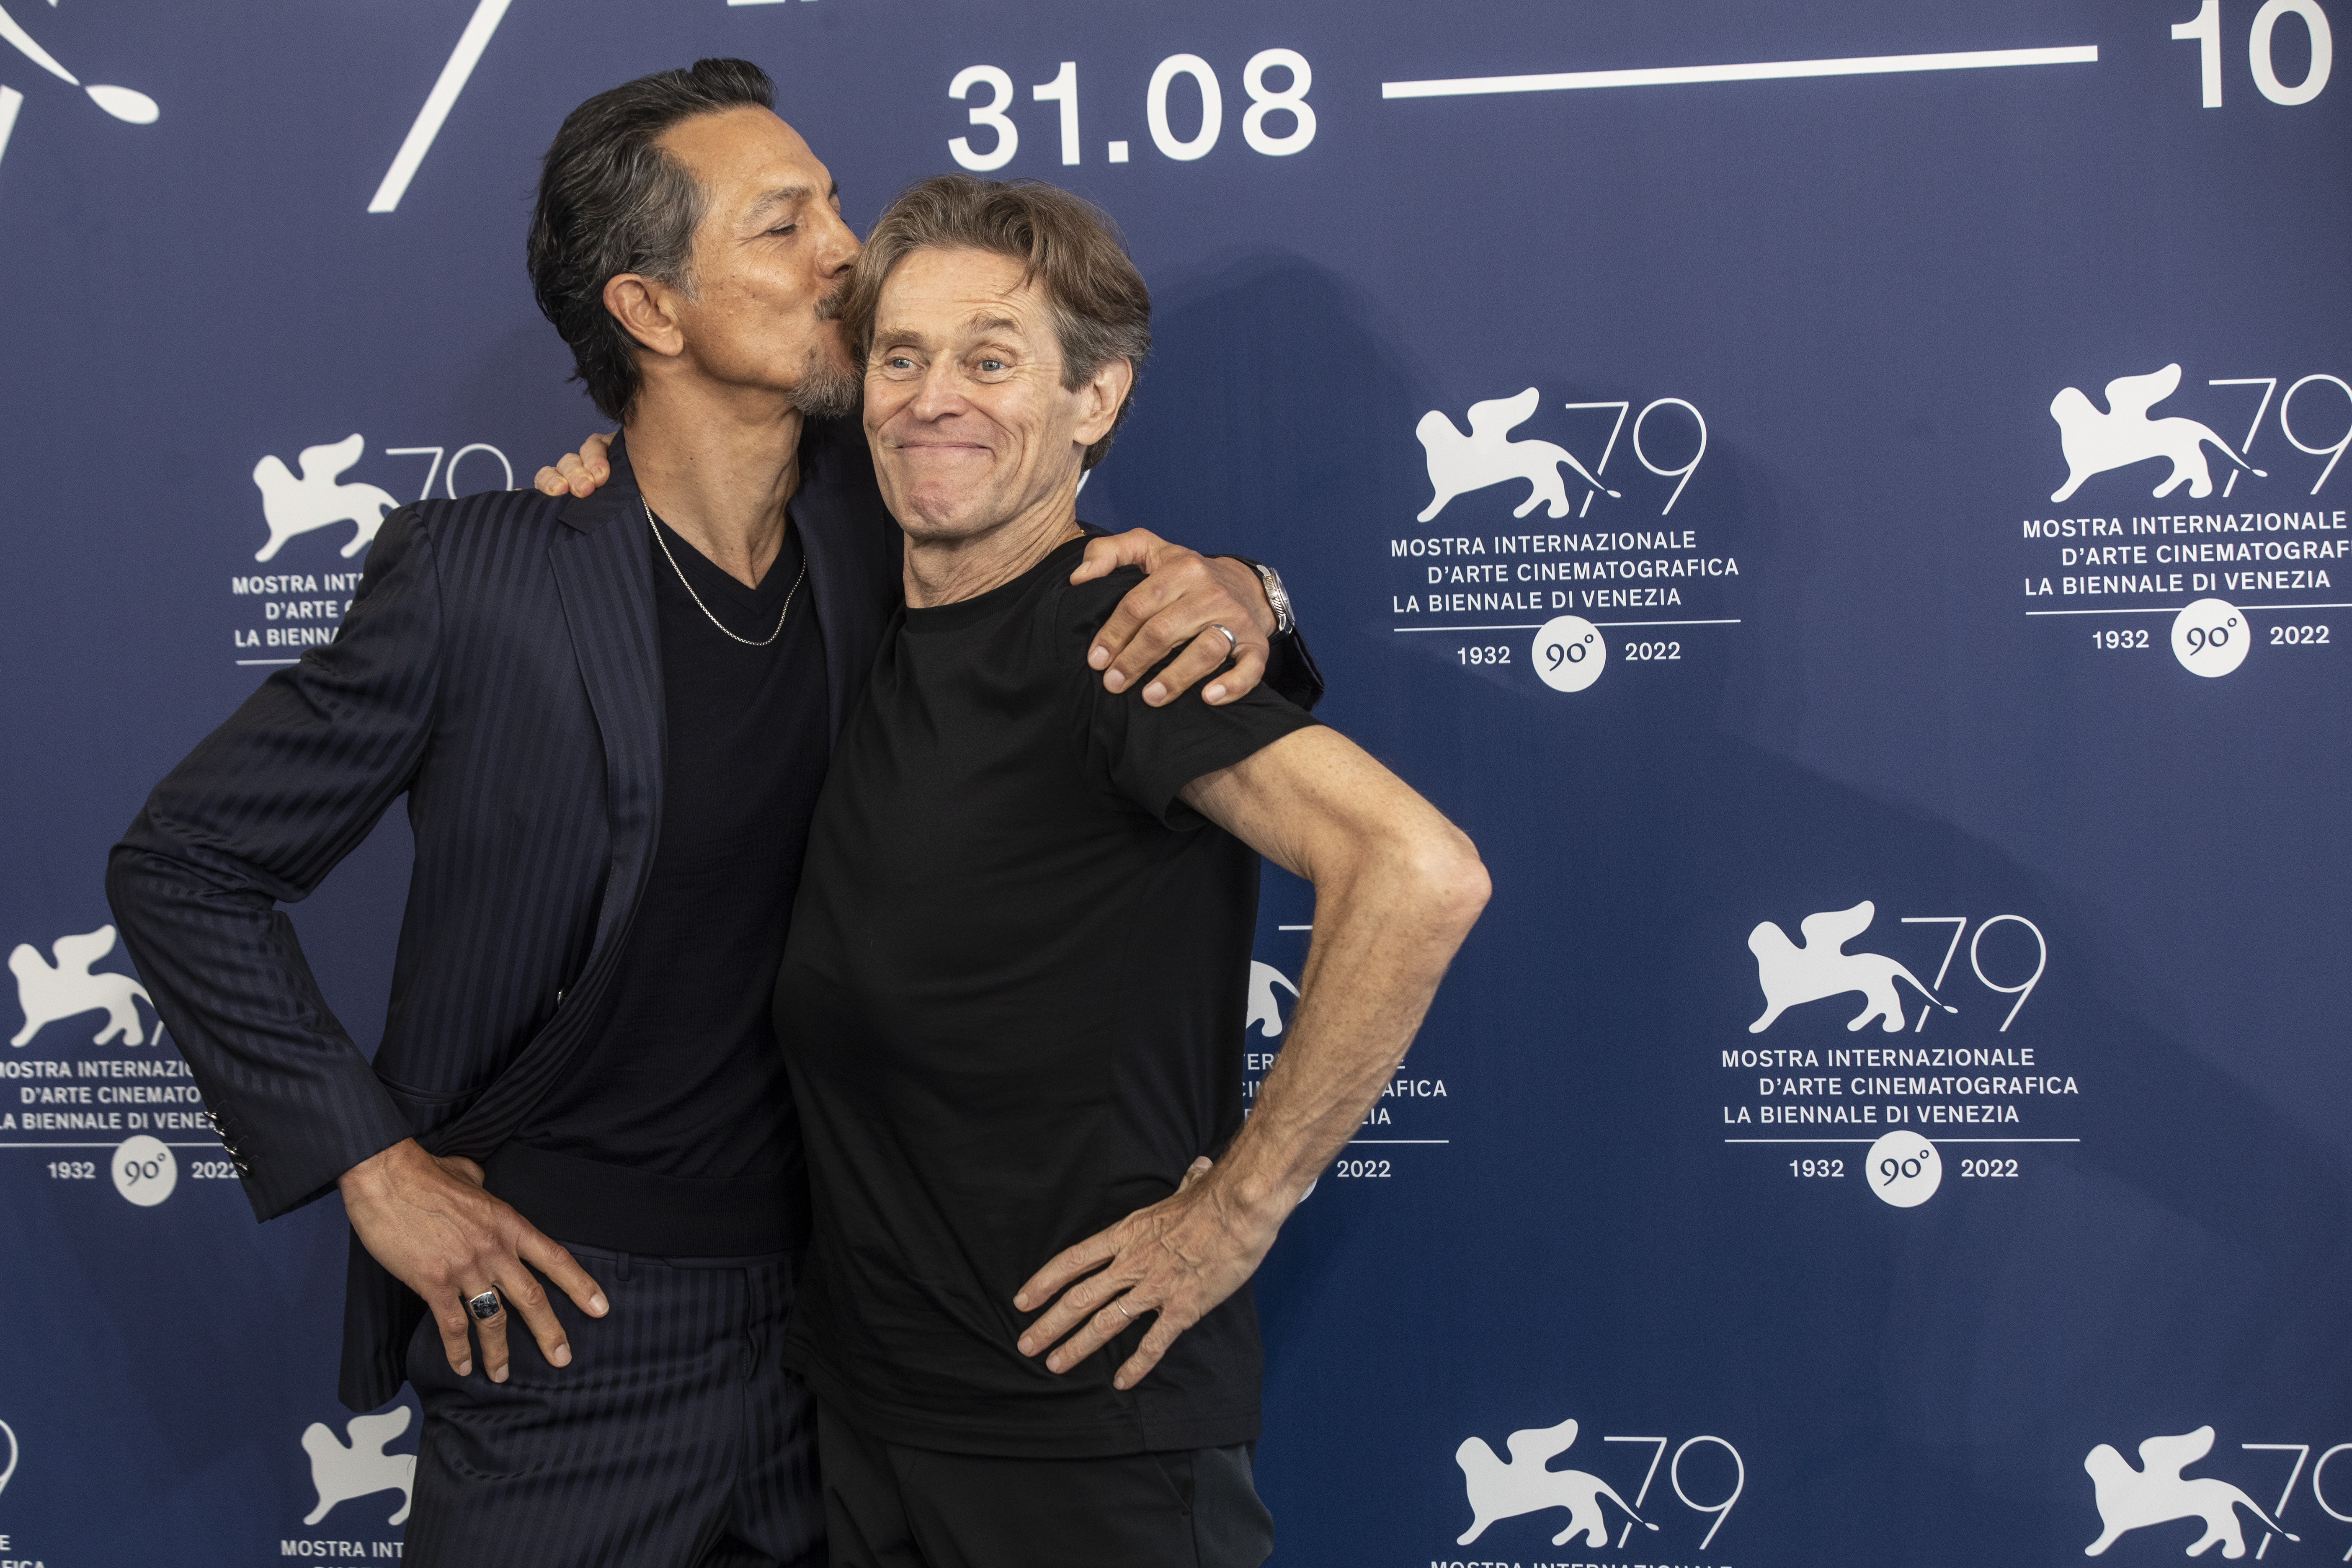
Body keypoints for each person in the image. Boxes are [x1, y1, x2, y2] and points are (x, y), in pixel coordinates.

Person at [104, 60, 1313, 1567]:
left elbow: (1087, 574)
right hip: (571, 1335)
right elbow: (185, 862)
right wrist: (374, 1167)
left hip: (854, 1343)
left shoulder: (887, 525)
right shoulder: (483, 578)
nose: (844, 255)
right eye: (783, 224)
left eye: (832, 207)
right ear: (653, 314)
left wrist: (1254, 593)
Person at [770, 175, 1489, 1567]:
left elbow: (1418, 870)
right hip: (872, 1418)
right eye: (902, 358)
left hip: (1082, 1446)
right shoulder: (862, 602)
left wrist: (1238, 1210)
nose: (933, 399)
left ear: (1095, 403)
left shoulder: (1125, 637)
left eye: (993, 359)